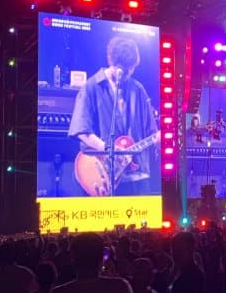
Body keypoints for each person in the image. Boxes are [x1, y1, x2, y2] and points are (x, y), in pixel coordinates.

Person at [68, 35, 160, 197]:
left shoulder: (138, 90)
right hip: (102, 173)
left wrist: (160, 140)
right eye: (123, 69)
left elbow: (152, 132)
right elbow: (81, 130)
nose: (127, 73)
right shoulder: (91, 87)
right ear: (111, 61)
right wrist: (108, 149)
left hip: (137, 176)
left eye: (131, 69)